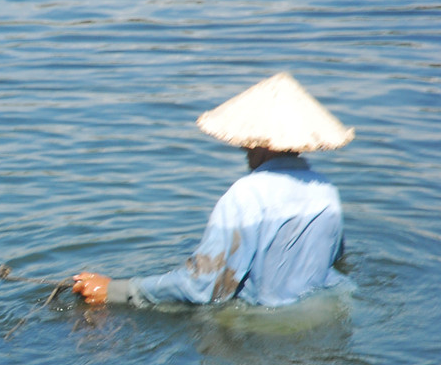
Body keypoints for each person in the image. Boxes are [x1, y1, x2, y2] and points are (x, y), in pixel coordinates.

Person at [72, 72, 353, 308]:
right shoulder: (326, 191)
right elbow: (336, 261)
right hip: (324, 313)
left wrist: (114, 290)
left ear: (254, 140)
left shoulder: (246, 195)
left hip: (261, 328)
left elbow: (201, 286)